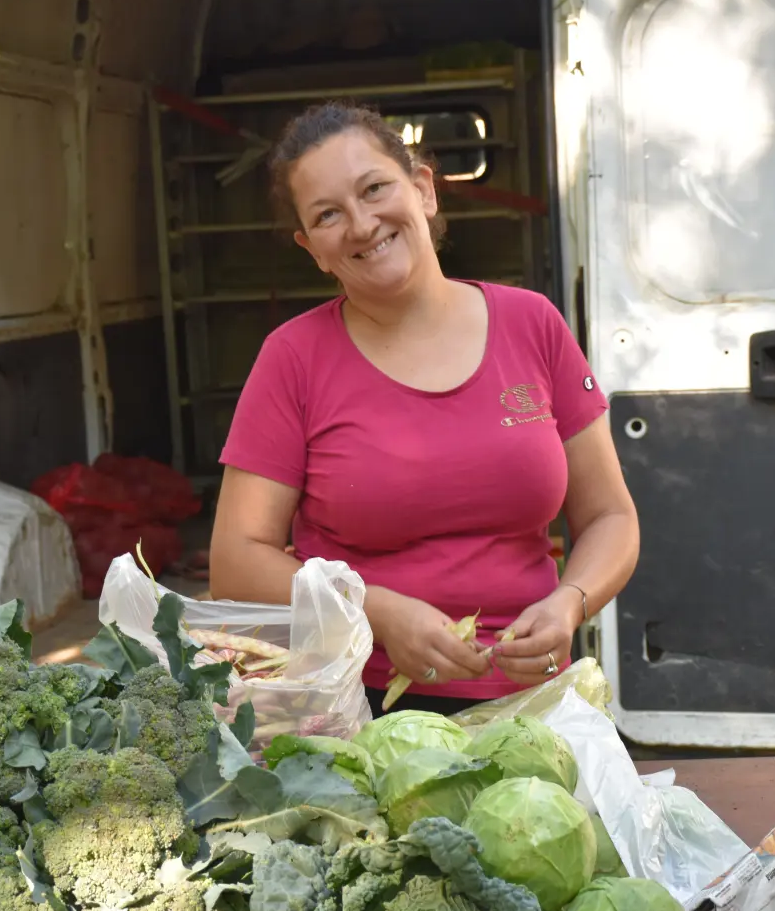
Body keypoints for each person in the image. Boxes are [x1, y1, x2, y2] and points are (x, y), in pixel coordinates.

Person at [208, 101, 639, 718]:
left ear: (424, 189)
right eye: (328, 214)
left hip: (535, 706)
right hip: (359, 710)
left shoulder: (533, 324)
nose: (362, 225)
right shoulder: (292, 358)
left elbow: (610, 517)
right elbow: (235, 561)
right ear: (312, 249)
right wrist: (375, 612)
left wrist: (572, 601)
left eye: (374, 189)